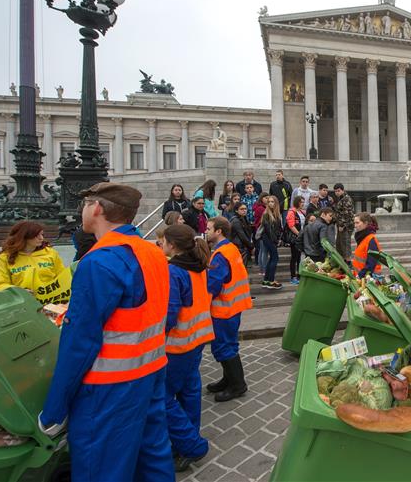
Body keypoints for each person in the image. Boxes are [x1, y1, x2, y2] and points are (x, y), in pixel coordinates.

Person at [38, 183, 174, 481]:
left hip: (108, 387)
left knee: (99, 469)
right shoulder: (152, 253)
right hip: (151, 370)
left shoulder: (98, 262)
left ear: (96, 208)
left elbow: (79, 344)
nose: (82, 209)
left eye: (85, 203)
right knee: (153, 455)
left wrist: (53, 411)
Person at [161, 224, 215, 472]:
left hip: (179, 343)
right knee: (190, 391)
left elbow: (170, 313)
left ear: (172, 245)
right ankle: (186, 441)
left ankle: (191, 445)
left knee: (162, 397)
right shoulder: (198, 264)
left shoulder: (174, 271)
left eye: (163, 242)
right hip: (199, 336)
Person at [204, 217, 253, 402]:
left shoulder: (221, 254)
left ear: (218, 231)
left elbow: (213, 285)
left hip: (223, 309)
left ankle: (237, 385)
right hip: (234, 306)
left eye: (209, 229)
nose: (206, 231)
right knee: (229, 344)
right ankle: (229, 379)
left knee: (224, 346)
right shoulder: (230, 248)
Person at [0, 221, 66, 294]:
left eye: (42, 234)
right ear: (24, 236)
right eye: (37, 235)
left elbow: (63, 278)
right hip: (23, 303)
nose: (41, 238)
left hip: (50, 303)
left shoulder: (51, 253)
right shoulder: (4, 258)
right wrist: (19, 291)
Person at [259, 196, 283, 289]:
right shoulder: (266, 214)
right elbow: (269, 230)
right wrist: (276, 241)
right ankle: (271, 281)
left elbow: (278, 229)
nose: (270, 203)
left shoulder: (276, 213)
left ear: (276, 203)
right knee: (275, 258)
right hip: (268, 239)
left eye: (272, 202)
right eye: (269, 202)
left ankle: (266, 280)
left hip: (271, 239)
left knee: (272, 258)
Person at [352, 213, 382, 278]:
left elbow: (371, 264)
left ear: (365, 223)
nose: (355, 225)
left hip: (370, 280)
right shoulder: (363, 238)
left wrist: (360, 276)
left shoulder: (371, 240)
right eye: (354, 223)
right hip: (362, 278)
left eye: (357, 223)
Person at [286, 196, 306, 284]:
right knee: (294, 257)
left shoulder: (302, 212)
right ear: (297, 202)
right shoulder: (291, 212)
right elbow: (291, 226)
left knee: (299, 258)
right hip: (295, 238)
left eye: (303, 202)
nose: (303, 204)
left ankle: (298, 275)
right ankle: (293, 276)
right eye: (301, 202)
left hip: (301, 237)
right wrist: (299, 235)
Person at [333, 182, 355, 260]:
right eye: (335, 191)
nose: (337, 193)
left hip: (346, 226)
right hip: (341, 226)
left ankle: (348, 264)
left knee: (345, 246)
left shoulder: (346, 199)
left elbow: (347, 214)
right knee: (340, 245)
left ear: (343, 190)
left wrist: (342, 225)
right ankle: (342, 264)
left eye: (338, 191)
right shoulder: (341, 198)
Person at [253, 192, 269, 275]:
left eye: (268, 198)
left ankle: (261, 269)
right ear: (261, 198)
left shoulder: (261, 207)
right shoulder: (261, 208)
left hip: (260, 230)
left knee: (262, 251)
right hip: (262, 230)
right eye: (265, 198)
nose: (267, 199)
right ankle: (264, 269)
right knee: (264, 251)